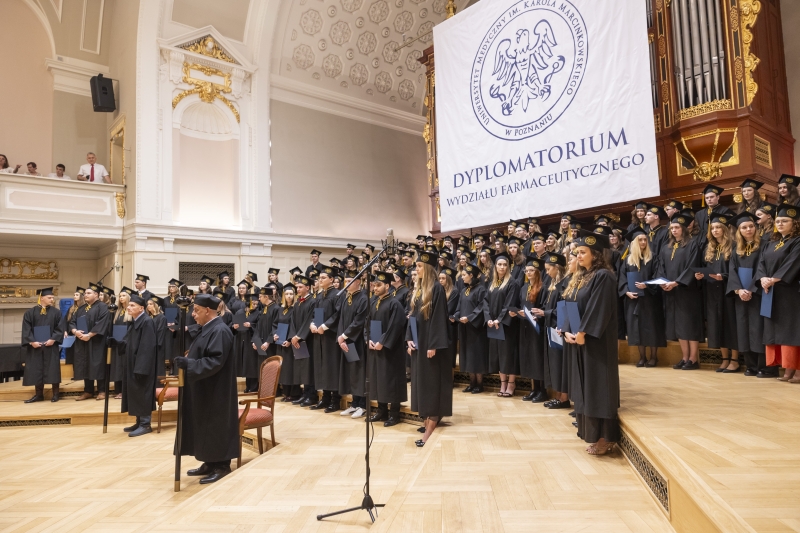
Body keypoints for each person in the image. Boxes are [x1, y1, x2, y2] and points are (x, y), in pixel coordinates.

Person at [563, 233, 620, 456]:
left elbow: (599, 308)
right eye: (577, 252)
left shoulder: (604, 276)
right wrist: (568, 329)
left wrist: (583, 332)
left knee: (599, 387)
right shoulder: (581, 276)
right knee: (585, 388)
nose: (578, 255)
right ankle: (593, 433)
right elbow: (570, 304)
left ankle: (606, 437)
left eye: (583, 252)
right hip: (580, 339)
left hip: (597, 342)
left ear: (595, 254)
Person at [173, 294, 238, 484]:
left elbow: (215, 360)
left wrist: (190, 364)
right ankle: (209, 461)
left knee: (215, 425)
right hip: (204, 387)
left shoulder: (220, 330)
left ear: (208, 311)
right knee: (204, 425)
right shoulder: (207, 328)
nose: (193, 314)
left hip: (216, 389)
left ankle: (222, 465)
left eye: (197, 311)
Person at [407, 251, 451, 447]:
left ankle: (431, 424)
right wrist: (409, 339)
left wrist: (433, 344)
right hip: (419, 343)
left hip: (431, 346)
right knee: (421, 383)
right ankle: (425, 419)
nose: (416, 269)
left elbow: (439, 319)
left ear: (428, 267)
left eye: (418, 266)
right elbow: (413, 318)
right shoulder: (419, 290)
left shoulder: (437, 289)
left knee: (432, 383)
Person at [756, 203, 800, 383]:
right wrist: (762, 278)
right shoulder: (771, 242)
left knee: (792, 331)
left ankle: (798, 370)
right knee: (777, 330)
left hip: (790, 292)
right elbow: (761, 264)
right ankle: (787, 369)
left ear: (795, 223)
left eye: (785, 221)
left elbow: (793, 263)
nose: (780, 224)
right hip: (771, 292)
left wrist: (774, 279)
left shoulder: (797, 241)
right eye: (778, 221)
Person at [658, 213, 704, 370]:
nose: (674, 230)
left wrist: (676, 282)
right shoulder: (666, 247)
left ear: (684, 229)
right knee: (678, 325)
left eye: (677, 227)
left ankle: (693, 358)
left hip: (687, 290)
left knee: (689, 324)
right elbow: (661, 268)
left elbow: (692, 266)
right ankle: (684, 357)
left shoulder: (692, 245)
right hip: (671, 291)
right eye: (672, 228)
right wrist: (663, 283)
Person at [726, 212, 770, 377]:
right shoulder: (736, 249)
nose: (748, 229)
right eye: (744, 227)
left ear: (755, 227)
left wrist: (750, 289)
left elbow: (762, 268)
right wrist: (738, 290)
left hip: (758, 294)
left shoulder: (765, 245)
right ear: (739, 230)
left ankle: (764, 366)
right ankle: (750, 366)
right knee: (743, 330)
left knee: (758, 329)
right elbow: (732, 271)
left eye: (751, 226)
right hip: (741, 296)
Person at [696, 213, 740, 372]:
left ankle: (734, 360)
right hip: (712, 291)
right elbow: (704, 268)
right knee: (716, 324)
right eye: (712, 228)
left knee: (730, 325)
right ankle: (724, 359)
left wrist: (724, 276)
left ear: (724, 229)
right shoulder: (709, 248)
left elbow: (737, 270)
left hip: (728, 291)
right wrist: (700, 275)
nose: (715, 230)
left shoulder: (734, 246)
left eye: (718, 228)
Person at [619, 227, 666, 367]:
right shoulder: (628, 260)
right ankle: (641, 357)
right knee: (636, 328)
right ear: (634, 242)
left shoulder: (653, 258)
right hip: (633, 299)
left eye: (645, 239)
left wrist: (647, 285)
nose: (643, 242)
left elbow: (658, 276)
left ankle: (653, 357)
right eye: (640, 240)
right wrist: (626, 291)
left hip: (650, 299)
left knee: (651, 327)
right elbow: (621, 279)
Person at [368, 271, 408, 426]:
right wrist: (369, 339)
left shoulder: (394, 303)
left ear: (387, 285)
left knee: (392, 380)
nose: (375, 288)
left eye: (379, 285)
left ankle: (394, 414)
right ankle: (381, 411)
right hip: (375, 347)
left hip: (391, 350)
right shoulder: (373, 303)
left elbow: (395, 326)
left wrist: (382, 342)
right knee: (378, 379)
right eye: (374, 285)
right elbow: (367, 324)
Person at [119, 294, 158, 437]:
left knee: (142, 392)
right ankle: (138, 420)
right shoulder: (135, 321)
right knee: (135, 392)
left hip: (142, 366)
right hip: (133, 363)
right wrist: (117, 344)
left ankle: (145, 424)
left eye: (132, 306)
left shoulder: (146, 322)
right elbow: (129, 341)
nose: (128, 307)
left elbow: (147, 346)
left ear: (141, 308)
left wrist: (141, 367)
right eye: (129, 305)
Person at [485, 252, 521, 397]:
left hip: (507, 325)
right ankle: (502, 383)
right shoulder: (492, 283)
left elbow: (509, 304)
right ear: (495, 266)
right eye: (499, 264)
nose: (502, 267)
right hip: (494, 325)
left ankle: (511, 383)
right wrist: (488, 318)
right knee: (498, 354)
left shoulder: (512, 283)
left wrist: (499, 319)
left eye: (505, 264)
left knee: (508, 354)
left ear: (508, 266)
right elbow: (486, 302)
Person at [337, 270, 369, 419]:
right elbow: (342, 320)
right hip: (346, 341)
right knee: (352, 373)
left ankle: (363, 405)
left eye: (350, 281)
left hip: (358, 341)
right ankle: (355, 403)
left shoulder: (363, 298)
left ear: (358, 282)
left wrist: (344, 336)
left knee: (360, 372)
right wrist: (341, 337)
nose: (347, 284)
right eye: (345, 281)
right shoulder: (345, 298)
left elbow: (359, 321)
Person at [69, 282, 110, 400]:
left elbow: (102, 323)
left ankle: (102, 390)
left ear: (96, 295)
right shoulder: (81, 308)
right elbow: (72, 321)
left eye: (88, 293)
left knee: (98, 365)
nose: (85, 295)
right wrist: (75, 331)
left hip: (96, 342)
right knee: (85, 364)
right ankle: (88, 390)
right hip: (82, 341)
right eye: (85, 293)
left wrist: (90, 335)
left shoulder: (102, 307)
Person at [21, 288, 63, 403]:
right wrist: (32, 341)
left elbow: (60, 328)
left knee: (53, 369)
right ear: (41, 298)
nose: (52, 300)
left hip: (51, 346)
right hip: (36, 346)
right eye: (49, 298)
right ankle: (39, 394)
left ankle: (56, 394)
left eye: (53, 298)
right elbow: (26, 329)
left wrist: (53, 339)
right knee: (37, 369)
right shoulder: (30, 313)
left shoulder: (56, 312)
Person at [539, 253, 569, 409]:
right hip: (551, 328)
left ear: (557, 268)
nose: (547, 273)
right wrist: (540, 311)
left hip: (559, 329)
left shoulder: (564, 284)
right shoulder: (552, 285)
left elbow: (563, 310)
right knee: (554, 362)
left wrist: (545, 313)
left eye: (549, 269)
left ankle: (564, 398)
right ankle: (558, 396)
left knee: (560, 363)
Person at [310, 265, 341, 412]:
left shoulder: (337, 295)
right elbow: (315, 314)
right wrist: (312, 324)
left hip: (330, 336)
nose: (320, 280)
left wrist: (325, 326)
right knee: (322, 366)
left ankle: (335, 400)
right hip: (319, 336)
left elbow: (337, 315)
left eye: (323, 278)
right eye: (319, 278)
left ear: (332, 279)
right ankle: (325, 397)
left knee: (331, 367)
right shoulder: (320, 296)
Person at [516, 257, 547, 402]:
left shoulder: (543, 287)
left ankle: (542, 390)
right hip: (525, 326)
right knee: (529, 357)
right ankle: (534, 389)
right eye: (527, 270)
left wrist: (536, 315)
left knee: (537, 358)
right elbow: (520, 305)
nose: (528, 273)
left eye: (531, 270)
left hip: (537, 327)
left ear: (537, 272)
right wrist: (517, 312)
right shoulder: (523, 288)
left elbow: (544, 308)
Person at [455, 263, 489, 393]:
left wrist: (470, 317)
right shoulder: (464, 290)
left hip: (476, 328)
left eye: (464, 275)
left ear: (471, 275)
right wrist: (456, 316)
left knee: (477, 356)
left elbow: (482, 307)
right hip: (464, 328)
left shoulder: (481, 289)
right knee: (467, 356)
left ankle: (479, 384)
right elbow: (459, 307)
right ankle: (472, 382)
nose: (462, 277)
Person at [289, 275, 316, 406]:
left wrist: (299, 336)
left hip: (308, 340)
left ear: (307, 287)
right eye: (297, 287)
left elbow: (309, 320)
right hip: (298, 340)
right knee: (302, 368)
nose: (297, 289)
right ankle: (304, 394)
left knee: (309, 368)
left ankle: (311, 395)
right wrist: (293, 336)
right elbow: (292, 321)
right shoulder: (298, 302)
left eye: (300, 287)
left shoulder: (312, 301)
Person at [273, 284, 298, 401]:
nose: (289, 296)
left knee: (290, 369)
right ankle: (285, 392)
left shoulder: (295, 309)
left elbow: (294, 326)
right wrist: (275, 334)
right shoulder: (281, 309)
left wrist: (289, 340)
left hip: (289, 343)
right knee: (283, 368)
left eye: (291, 294)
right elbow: (275, 324)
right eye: (287, 294)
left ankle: (293, 393)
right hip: (280, 342)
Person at [110, 288, 132, 398]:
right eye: (120, 296)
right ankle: (117, 390)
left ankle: (124, 391)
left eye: (123, 295)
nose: (121, 298)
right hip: (117, 343)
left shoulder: (131, 311)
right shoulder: (117, 311)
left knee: (124, 367)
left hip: (126, 343)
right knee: (116, 367)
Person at [234, 293, 258, 392]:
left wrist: (251, 325)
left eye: (257, 304)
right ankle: (248, 386)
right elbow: (234, 324)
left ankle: (253, 386)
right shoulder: (239, 312)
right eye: (254, 303)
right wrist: (234, 326)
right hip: (240, 339)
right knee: (245, 364)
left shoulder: (257, 313)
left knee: (251, 363)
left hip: (251, 340)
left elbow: (259, 326)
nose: (256, 306)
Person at [438, 267, 460, 368]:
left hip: (450, 325)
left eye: (443, 278)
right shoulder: (439, 290)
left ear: (449, 279)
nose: (441, 280)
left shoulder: (454, 291)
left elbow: (448, 309)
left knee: (449, 352)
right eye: (440, 278)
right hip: (441, 324)